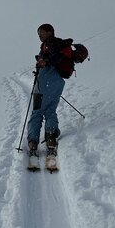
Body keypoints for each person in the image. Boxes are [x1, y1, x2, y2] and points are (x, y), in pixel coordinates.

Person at [27, 23, 67, 157]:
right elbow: (58, 57)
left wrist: (44, 63)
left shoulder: (49, 44)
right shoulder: (58, 44)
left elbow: (55, 57)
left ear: (50, 32)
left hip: (45, 82)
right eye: (38, 33)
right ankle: (51, 140)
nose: (39, 35)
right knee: (50, 111)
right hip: (57, 83)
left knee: (37, 112)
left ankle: (33, 143)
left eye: (41, 32)